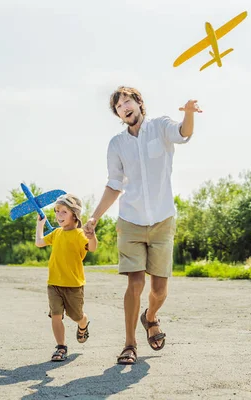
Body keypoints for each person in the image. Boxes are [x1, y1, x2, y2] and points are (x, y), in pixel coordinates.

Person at [83, 86, 201, 365]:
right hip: (131, 221)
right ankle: (129, 344)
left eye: (128, 101)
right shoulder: (117, 144)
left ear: (139, 103)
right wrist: (94, 216)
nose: (124, 107)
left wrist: (188, 113)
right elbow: (114, 184)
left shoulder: (160, 127)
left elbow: (183, 133)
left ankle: (149, 317)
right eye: (119, 106)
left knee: (159, 290)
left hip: (162, 219)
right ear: (118, 114)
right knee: (135, 283)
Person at [35, 193, 98, 362]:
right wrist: (39, 225)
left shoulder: (79, 234)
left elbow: (91, 248)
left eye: (63, 212)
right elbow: (39, 242)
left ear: (74, 215)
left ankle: (83, 324)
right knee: (56, 315)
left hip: (73, 285)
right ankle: (61, 347)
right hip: (54, 283)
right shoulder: (56, 233)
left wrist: (92, 236)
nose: (58, 215)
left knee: (76, 316)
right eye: (56, 211)